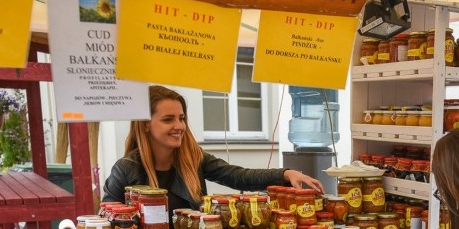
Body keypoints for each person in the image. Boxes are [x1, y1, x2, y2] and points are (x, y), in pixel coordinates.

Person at [102, 85, 323, 213]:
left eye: (181, 118)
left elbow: (238, 176)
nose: (179, 126)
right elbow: (107, 218)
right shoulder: (126, 169)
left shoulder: (193, 157)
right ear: (145, 124)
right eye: (168, 119)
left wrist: (285, 173)